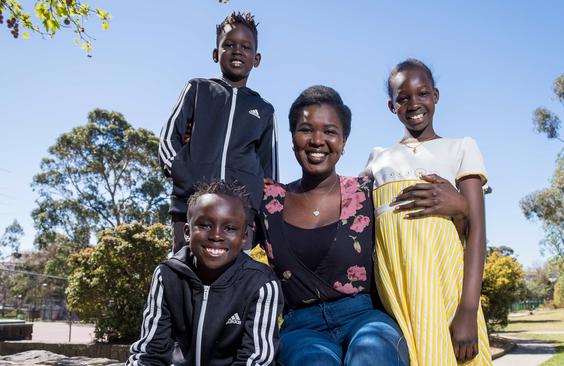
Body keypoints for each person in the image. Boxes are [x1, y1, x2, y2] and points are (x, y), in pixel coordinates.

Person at [257, 85, 460, 365]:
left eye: (330, 131)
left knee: (372, 356)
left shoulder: (368, 192)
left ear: (343, 142)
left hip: (364, 318)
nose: (318, 140)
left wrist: (462, 205)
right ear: (292, 139)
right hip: (301, 328)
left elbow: (425, 233)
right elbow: (219, 233)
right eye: (306, 130)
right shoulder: (267, 200)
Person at [363, 59, 491, 365]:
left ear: (435, 95)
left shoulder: (461, 148)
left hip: (446, 293)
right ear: (391, 106)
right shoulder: (378, 159)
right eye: (403, 98)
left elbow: (477, 232)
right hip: (396, 299)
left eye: (422, 94)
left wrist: (468, 311)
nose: (414, 103)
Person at [158, 11, 278, 253]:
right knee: (184, 275)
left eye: (246, 46)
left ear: (256, 58)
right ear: (216, 54)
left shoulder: (263, 109)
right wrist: (182, 171)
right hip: (190, 209)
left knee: (234, 286)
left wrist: (255, 202)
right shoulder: (197, 89)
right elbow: (168, 138)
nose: (237, 51)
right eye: (229, 45)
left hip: (240, 217)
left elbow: (269, 173)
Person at [127, 180, 283, 366]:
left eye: (230, 228)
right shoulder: (167, 275)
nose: (216, 236)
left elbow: (256, 360)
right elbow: (150, 351)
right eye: (205, 225)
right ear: (187, 232)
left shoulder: (260, 283)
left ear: (244, 238)